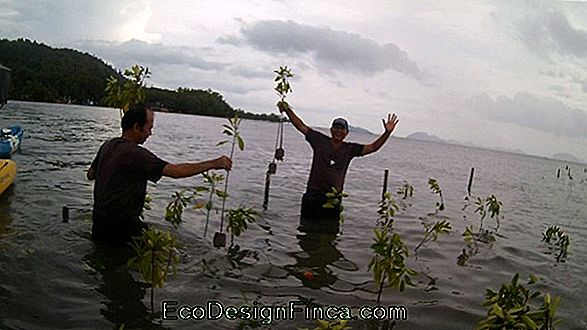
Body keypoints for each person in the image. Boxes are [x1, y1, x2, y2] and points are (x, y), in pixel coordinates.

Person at [87, 104, 232, 246]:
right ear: (137, 127)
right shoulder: (137, 154)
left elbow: (90, 175)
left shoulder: (107, 145)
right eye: (149, 128)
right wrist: (214, 163)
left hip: (99, 226)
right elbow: (176, 172)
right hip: (122, 231)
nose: (150, 133)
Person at [277, 101, 399, 222]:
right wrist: (287, 109)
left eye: (342, 129)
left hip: (334, 198)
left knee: (330, 233)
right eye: (336, 128)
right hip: (313, 194)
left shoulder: (350, 149)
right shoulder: (319, 141)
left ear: (347, 133)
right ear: (331, 130)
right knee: (306, 229)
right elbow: (301, 126)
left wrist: (387, 133)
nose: (338, 131)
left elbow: (372, 147)